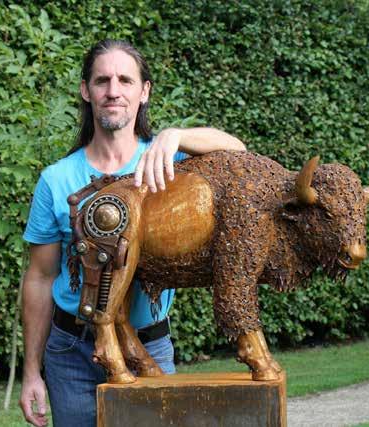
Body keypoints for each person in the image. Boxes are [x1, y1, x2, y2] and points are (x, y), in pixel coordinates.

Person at [18, 39, 246, 427]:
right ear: (85, 91)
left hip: (149, 346)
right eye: (102, 80)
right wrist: (31, 373)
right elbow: (40, 278)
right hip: (72, 354)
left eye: (125, 80)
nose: (113, 91)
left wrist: (175, 135)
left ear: (144, 92)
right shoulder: (56, 180)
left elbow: (238, 152)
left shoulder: (171, 165)